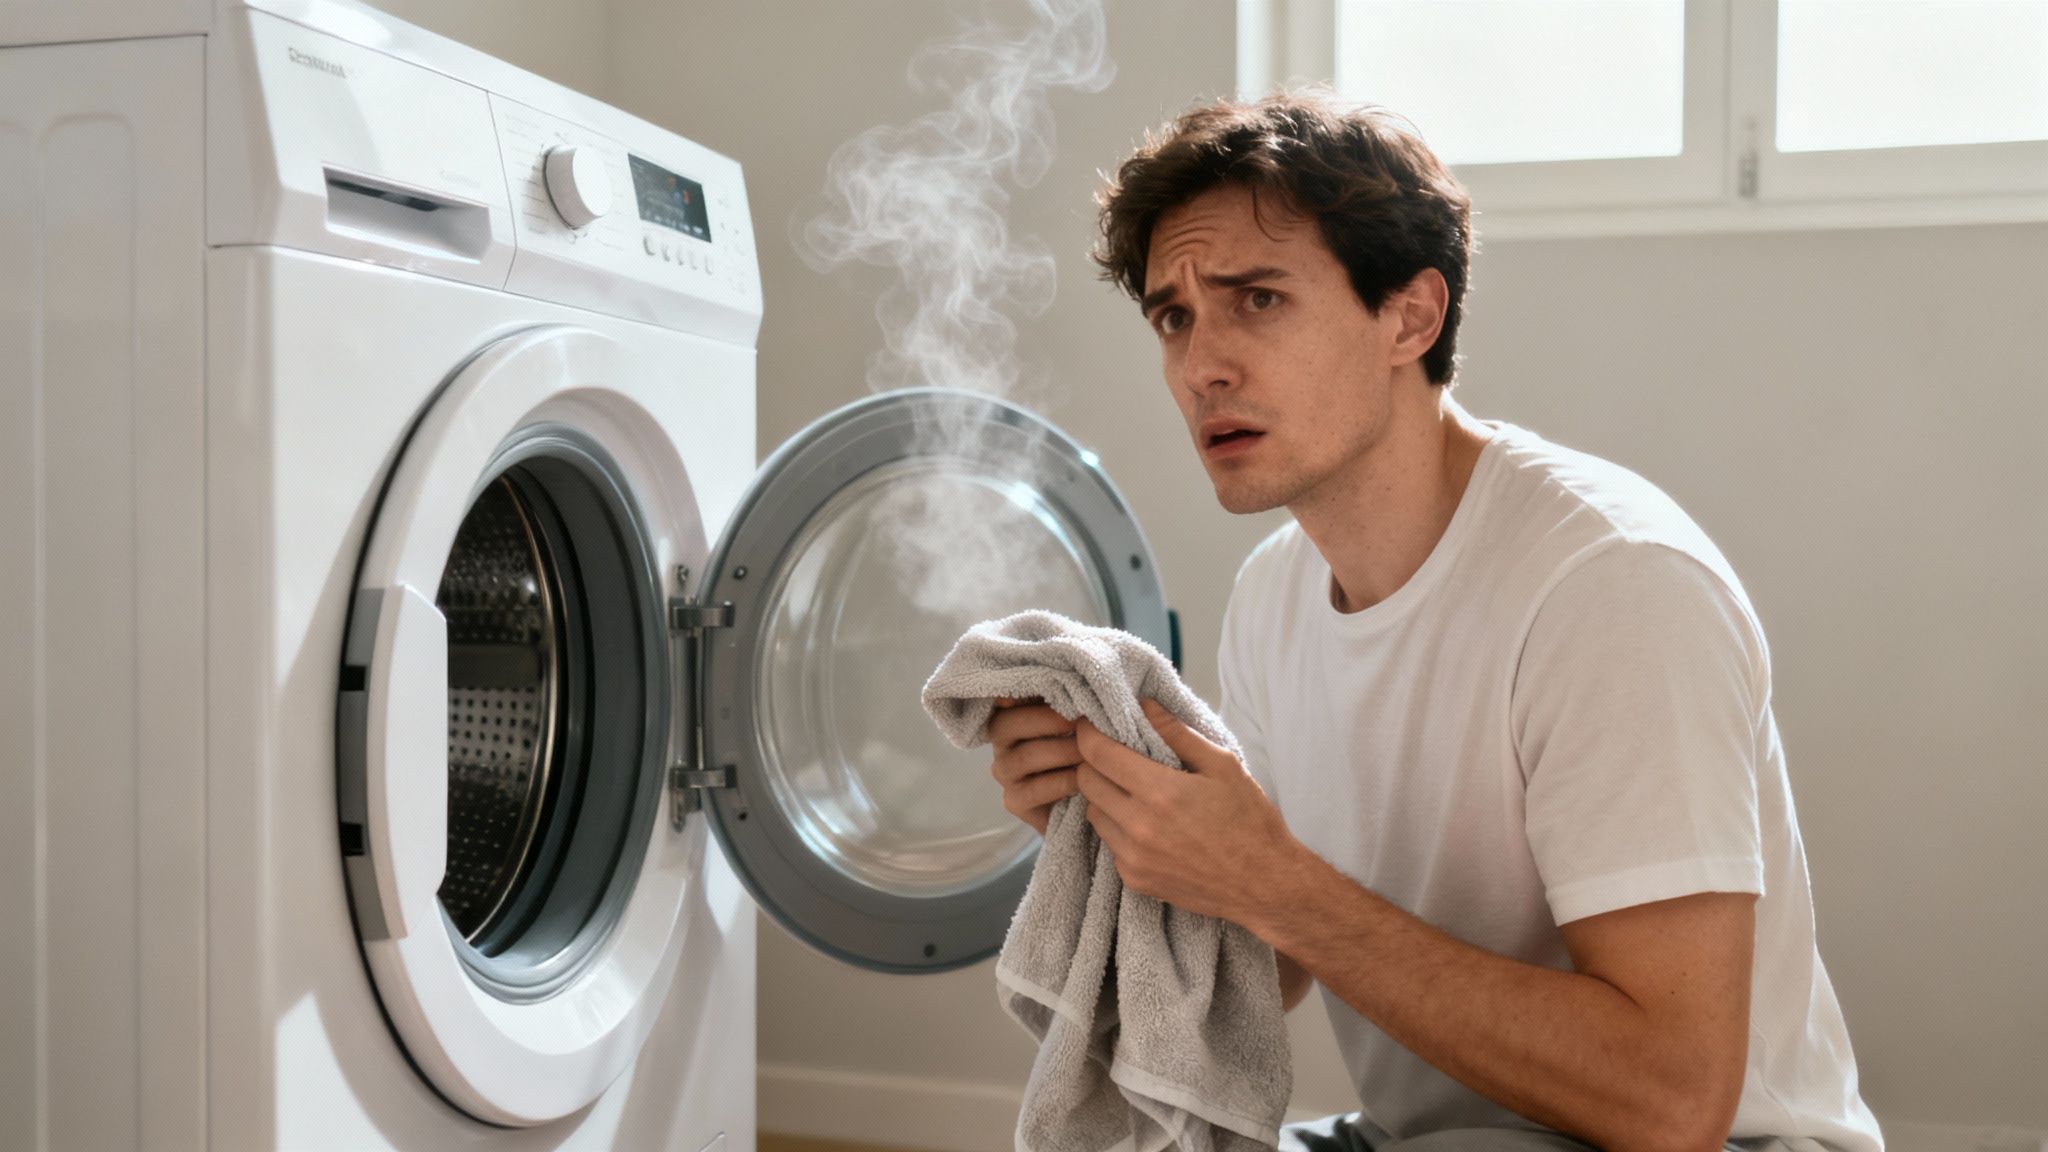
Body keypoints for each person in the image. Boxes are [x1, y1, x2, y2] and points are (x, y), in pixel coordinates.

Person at [985, 91, 1883, 1152]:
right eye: (1172, 316)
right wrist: (1134, 841)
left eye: (1257, 299)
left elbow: (1671, 1100)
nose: (1199, 366)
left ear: (1408, 316)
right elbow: (1270, 967)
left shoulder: (1609, 587)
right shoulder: (1276, 593)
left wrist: (1270, 877)